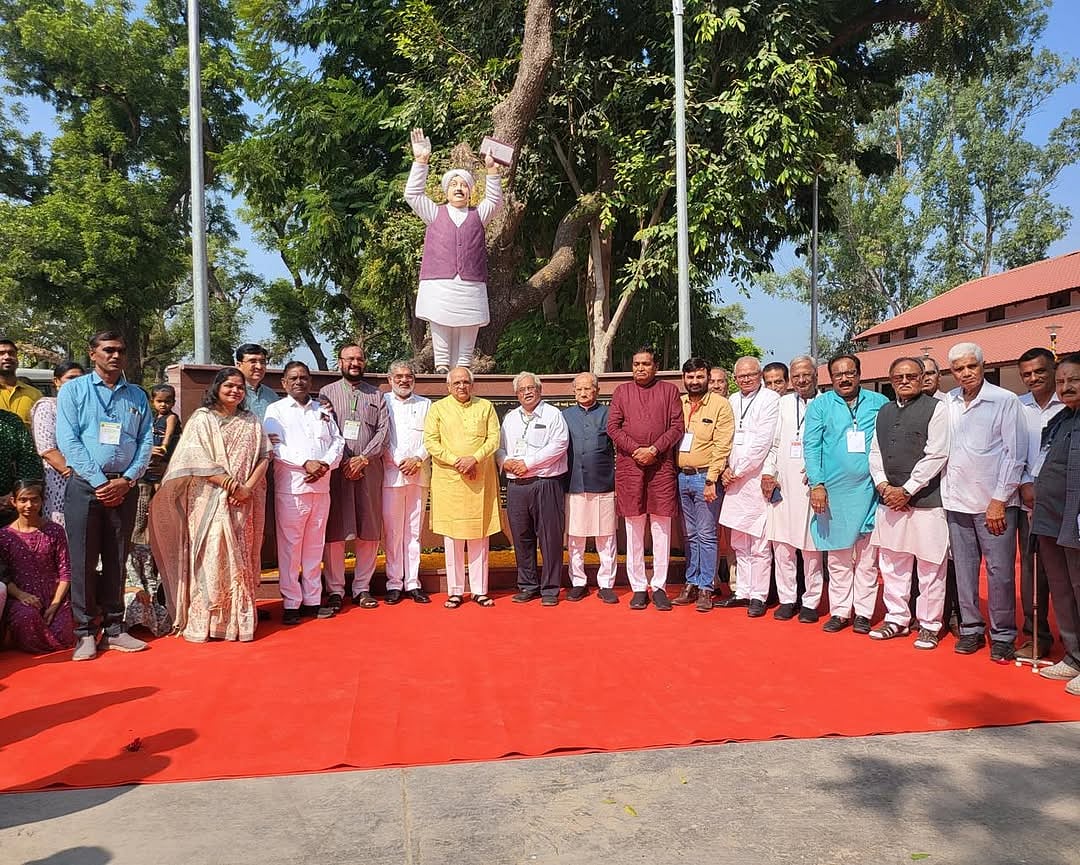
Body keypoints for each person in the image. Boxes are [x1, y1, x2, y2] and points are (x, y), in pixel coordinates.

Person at [150, 368, 271, 642]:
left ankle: (238, 623)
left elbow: (265, 456)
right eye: (229, 385)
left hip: (243, 502)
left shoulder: (251, 421)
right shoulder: (202, 420)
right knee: (211, 556)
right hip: (208, 499)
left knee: (240, 556)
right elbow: (192, 459)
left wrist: (247, 488)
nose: (235, 391)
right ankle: (208, 621)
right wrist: (231, 485)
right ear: (216, 387)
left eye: (240, 387)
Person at [56, 330, 153, 661]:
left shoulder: (137, 396)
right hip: (85, 486)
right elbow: (69, 441)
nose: (115, 356)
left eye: (121, 351)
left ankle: (115, 629)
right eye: (108, 350)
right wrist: (100, 482)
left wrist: (126, 480)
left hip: (125, 488)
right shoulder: (74, 391)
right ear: (92, 353)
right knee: (82, 559)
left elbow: (145, 442)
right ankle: (84, 632)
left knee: (117, 558)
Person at [941, 342, 1026, 661]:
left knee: (1000, 571)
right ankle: (971, 629)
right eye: (959, 369)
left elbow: (1015, 455)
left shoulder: (1004, 401)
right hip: (956, 502)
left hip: (994, 504)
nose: (965, 373)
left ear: (982, 366)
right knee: (964, 571)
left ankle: (1003, 634)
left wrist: (999, 500)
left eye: (971, 367)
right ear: (952, 372)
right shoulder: (948, 401)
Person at [868, 357, 951, 648]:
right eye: (899, 377)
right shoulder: (885, 411)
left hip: (926, 501)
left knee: (930, 565)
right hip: (889, 500)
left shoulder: (937, 409)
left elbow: (937, 455)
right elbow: (875, 452)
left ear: (922, 378)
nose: (905, 381)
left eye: (911, 376)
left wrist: (908, 490)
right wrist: (883, 486)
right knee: (892, 562)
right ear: (891, 381)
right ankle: (897, 619)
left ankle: (929, 624)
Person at [404, 128, 503, 373]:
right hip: (439, 280)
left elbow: (494, 201)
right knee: (439, 321)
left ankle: (464, 366)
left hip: (470, 281)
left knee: (469, 324)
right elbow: (413, 194)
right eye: (454, 184)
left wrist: (491, 170)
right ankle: (441, 365)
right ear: (446, 191)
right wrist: (421, 161)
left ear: (470, 192)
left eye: (464, 185)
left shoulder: (478, 215)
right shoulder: (434, 212)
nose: (459, 188)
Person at [804, 354, 888, 634]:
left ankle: (863, 612)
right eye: (838, 374)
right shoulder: (820, 405)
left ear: (859, 373)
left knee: (867, 557)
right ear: (831, 377)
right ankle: (840, 611)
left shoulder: (879, 403)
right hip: (833, 492)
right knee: (838, 555)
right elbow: (812, 446)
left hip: (870, 490)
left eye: (850, 372)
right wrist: (817, 484)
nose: (844, 378)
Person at [263, 362, 344, 625]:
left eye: (304, 377)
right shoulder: (275, 411)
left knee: (314, 547)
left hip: (321, 487)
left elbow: (337, 441)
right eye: (293, 378)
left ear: (311, 381)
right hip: (292, 489)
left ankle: (312, 601)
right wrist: (306, 463)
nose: (299, 382)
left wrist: (324, 465)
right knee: (290, 549)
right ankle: (291, 604)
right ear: (284, 383)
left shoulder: (322, 409)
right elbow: (276, 447)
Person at [607, 346, 684, 611]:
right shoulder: (622, 392)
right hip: (631, 468)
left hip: (660, 467)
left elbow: (677, 427)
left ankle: (659, 585)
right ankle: (639, 586)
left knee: (661, 529)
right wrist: (636, 450)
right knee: (634, 528)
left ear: (656, 366)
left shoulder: (670, 392)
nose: (640, 368)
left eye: (646, 364)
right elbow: (613, 427)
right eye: (636, 363)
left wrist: (654, 449)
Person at [319, 344, 390, 613]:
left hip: (369, 470)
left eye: (360, 358)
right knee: (336, 530)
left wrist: (363, 459)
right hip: (338, 470)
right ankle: (335, 589)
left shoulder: (377, 395)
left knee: (368, 529)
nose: (355, 362)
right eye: (349, 358)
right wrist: (345, 460)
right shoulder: (327, 393)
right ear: (340, 362)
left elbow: (384, 432)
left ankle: (362, 588)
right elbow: (325, 429)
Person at [423, 366, 501, 607]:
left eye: (466, 382)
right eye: (456, 383)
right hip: (450, 482)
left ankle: (479, 590)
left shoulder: (485, 407)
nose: (461, 386)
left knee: (479, 536)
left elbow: (494, 438)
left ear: (472, 384)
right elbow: (430, 442)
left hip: (479, 480)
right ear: (448, 386)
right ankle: (455, 590)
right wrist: (457, 461)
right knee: (453, 538)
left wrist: (474, 459)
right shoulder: (438, 409)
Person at [1029, 352, 1080, 695]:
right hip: (1050, 518)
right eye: (1061, 381)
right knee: (1062, 589)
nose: (1066, 387)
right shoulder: (1061, 419)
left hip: (1076, 519)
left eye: (1074, 380)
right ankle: (1074, 656)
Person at [762, 355, 824, 622]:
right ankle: (787, 598)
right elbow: (774, 444)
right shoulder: (783, 404)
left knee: (811, 550)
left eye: (805, 374)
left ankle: (811, 601)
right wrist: (768, 473)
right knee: (782, 546)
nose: (801, 380)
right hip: (784, 484)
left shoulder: (826, 403)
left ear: (816, 376)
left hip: (812, 486)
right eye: (796, 376)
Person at [499, 372, 570, 606]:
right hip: (517, 485)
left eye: (531, 388)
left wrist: (527, 463)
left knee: (550, 538)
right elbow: (499, 447)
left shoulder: (553, 415)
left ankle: (550, 589)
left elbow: (559, 445)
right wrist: (505, 461)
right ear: (516, 394)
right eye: (522, 389)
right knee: (522, 537)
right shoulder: (510, 418)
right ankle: (528, 585)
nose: (527, 392)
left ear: (539, 390)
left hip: (545, 482)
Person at [718, 356, 781, 616]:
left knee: (759, 543)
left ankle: (758, 595)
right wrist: (724, 469)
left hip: (755, 479)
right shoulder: (732, 400)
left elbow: (762, 443)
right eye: (741, 375)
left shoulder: (769, 399)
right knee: (739, 542)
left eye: (751, 374)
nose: (746, 379)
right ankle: (742, 591)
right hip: (733, 481)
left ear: (759, 375)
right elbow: (725, 437)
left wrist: (738, 470)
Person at [673, 358, 733, 612]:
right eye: (690, 377)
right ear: (684, 379)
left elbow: (722, 444)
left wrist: (712, 479)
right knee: (689, 534)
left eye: (699, 377)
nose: (695, 382)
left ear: (708, 378)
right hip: (681, 476)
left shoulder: (720, 405)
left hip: (706, 477)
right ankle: (691, 582)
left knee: (707, 535)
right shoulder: (678, 403)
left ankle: (707, 587)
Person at [1016, 346, 1065, 659]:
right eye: (1026, 374)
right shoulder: (1017, 406)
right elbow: (1009, 449)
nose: (1033, 378)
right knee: (1033, 572)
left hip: (1065, 501)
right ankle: (1037, 634)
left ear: (1054, 370)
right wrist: (1024, 483)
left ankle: (1072, 643)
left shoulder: (1069, 405)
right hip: (1028, 501)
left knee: (1067, 574)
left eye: (1039, 372)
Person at [125, 383, 181, 633]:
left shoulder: (171, 420)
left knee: (159, 521)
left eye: (168, 401)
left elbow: (168, 440)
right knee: (138, 525)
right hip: (142, 477)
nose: (164, 405)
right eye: (159, 401)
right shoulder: (146, 420)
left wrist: (162, 451)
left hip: (161, 470)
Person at [0, 479, 74, 653]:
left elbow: (65, 571)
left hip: (54, 596)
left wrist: (56, 603)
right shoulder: (4, 536)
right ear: (14, 502)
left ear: (42, 501)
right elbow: (2, 575)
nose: (29, 505)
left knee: (64, 634)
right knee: (27, 619)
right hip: (20, 596)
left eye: (34, 500)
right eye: (23, 500)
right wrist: (21, 595)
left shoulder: (55, 531)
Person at [562, 372, 618, 603]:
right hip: (574, 483)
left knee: (606, 536)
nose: (583, 393)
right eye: (579, 390)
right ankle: (578, 581)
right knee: (575, 537)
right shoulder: (565, 416)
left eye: (587, 389)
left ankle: (606, 583)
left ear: (596, 390)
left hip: (603, 483)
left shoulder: (609, 414)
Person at [382, 360, 432, 604]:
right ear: (390, 379)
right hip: (392, 476)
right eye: (399, 376)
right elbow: (383, 437)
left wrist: (417, 459)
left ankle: (412, 582)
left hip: (419, 475)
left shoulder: (426, 405)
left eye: (408, 376)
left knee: (414, 532)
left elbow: (432, 438)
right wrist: (401, 460)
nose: (404, 380)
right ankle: (393, 582)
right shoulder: (383, 402)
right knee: (393, 533)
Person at [29, 362, 85, 527]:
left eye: (82, 379)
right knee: (61, 530)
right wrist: (75, 476)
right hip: (61, 479)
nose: (77, 383)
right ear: (56, 381)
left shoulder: (86, 409)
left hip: (87, 482)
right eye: (71, 378)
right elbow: (47, 450)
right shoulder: (48, 407)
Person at [0, 338, 43, 425]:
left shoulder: (35, 394)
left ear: (17, 358)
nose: (7, 357)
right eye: (1, 353)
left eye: (11, 353)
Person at [235, 344, 279, 420]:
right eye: (253, 362)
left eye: (262, 362)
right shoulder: (232, 393)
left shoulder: (272, 396)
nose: (259, 366)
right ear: (239, 365)